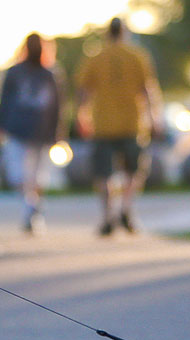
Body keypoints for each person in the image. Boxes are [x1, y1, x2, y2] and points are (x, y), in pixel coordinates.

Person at [75, 17, 164, 235]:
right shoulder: (137, 56)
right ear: (124, 33)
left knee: (103, 173)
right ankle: (126, 208)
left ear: (108, 34)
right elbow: (148, 89)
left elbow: (84, 91)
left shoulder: (96, 58)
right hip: (132, 123)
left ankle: (108, 215)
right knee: (133, 171)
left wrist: (81, 116)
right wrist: (154, 117)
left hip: (103, 123)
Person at [0, 33, 62, 234]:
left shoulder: (46, 74)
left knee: (24, 175)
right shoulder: (45, 74)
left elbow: (57, 105)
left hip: (24, 130)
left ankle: (30, 208)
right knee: (34, 175)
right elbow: (58, 106)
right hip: (34, 130)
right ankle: (32, 208)